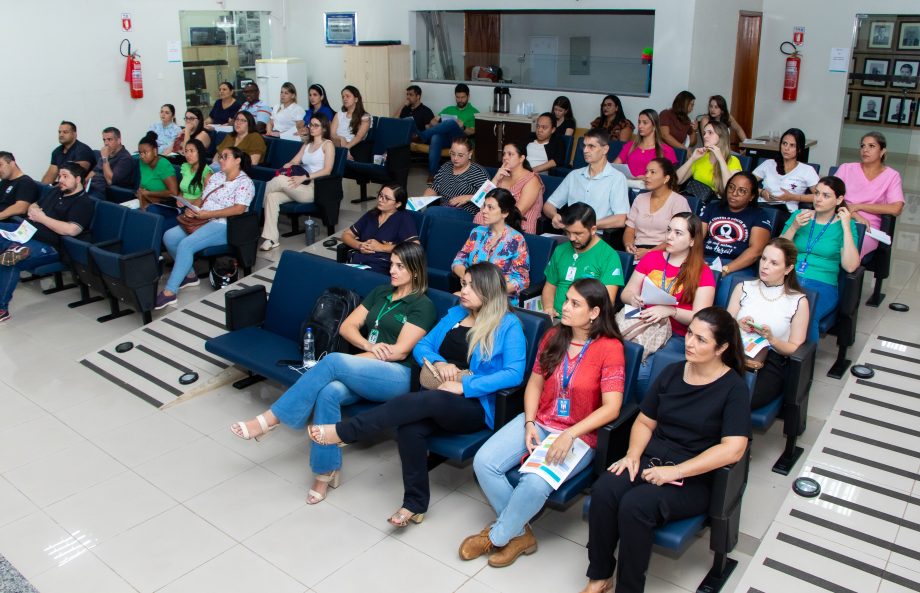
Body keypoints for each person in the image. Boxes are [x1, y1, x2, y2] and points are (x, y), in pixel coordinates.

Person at [307, 262, 527, 527]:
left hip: (474, 405)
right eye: (463, 283)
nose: (462, 290)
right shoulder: (456, 313)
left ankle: (345, 431)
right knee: (410, 428)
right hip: (438, 395)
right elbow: (422, 346)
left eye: (470, 285)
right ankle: (414, 504)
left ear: (488, 290)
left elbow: (514, 373)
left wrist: (465, 386)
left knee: (428, 401)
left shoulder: (508, 324)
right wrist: (441, 363)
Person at [230, 242, 437, 504]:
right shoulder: (381, 292)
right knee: (328, 392)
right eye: (392, 264)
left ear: (416, 271)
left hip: (397, 376)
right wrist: (368, 345)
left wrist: (356, 359)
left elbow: (398, 352)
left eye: (399, 266)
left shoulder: (422, 305)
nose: (392, 270)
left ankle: (269, 421)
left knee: (334, 363)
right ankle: (325, 472)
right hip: (365, 365)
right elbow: (347, 327)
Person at [580, 307, 750, 593]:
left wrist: (676, 470)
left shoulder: (733, 388)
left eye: (701, 340)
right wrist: (633, 455)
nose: (690, 343)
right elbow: (645, 422)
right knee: (606, 489)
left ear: (722, 348)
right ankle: (599, 576)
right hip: (651, 460)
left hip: (693, 476)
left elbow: (733, 450)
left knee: (636, 507)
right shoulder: (672, 372)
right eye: (691, 334)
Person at [461, 279, 626, 567]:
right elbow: (534, 385)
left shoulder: (610, 348)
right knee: (484, 462)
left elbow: (612, 408)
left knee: (534, 483)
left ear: (595, 312)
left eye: (575, 304)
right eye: (566, 300)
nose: (565, 307)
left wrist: (570, 435)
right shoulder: (553, 336)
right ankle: (520, 533)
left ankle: (497, 537)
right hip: (542, 420)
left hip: (580, 434)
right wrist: (528, 423)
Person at [621, 212, 716, 393]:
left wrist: (670, 311)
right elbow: (626, 292)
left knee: (643, 370)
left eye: (678, 233)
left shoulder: (703, 272)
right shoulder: (651, 258)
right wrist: (633, 298)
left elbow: (700, 318)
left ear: (692, 241)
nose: (669, 237)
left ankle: (641, 414)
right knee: (612, 355)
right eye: (669, 230)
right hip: (641, 319)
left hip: (676, 333)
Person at [155, 146, 254, 309]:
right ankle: (190, 275)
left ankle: (169, 292)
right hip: (203, 218)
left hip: (224, 225)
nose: (221, 160)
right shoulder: (217, 177)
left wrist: (206, 214)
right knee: (169, 236)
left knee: (186, 245)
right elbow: (203, 198)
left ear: (237, 161)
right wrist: (192, 208)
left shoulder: (245, 183)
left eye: (225, 157)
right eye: (220, 157)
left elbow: (238, 209)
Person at [0, 162, 94, 322]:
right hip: (27, 232)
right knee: (10, 248)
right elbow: (35, 204)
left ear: (78, 179)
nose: (61, 180)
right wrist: (33, 209)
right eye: (60, 176)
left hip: (51, 245)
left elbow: (71, 230)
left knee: (10, 260)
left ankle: (2, 309)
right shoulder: (56, 191)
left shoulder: (83, 202)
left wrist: (43, 218)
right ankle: (16, 248)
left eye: (65, 177)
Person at [727, 238, 809, 409]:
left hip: (769, 360)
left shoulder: (797, 301)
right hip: (735, 350)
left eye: (773, 263)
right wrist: (737, 324)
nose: (764, 266)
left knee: (737, 400)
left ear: (788, 268)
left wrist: (772, 339)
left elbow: (795, 347)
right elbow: (724, 325)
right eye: (763, 259)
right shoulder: (744, 287)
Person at [780, 176, 860, 323]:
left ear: (838, 199)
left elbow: (850, 266)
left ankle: (800, 346)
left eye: (826, 195)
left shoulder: (846, 226)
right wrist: (794, 227)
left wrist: (846, 227)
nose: (818, 199)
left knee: (804, 316)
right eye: (816, 193)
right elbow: (776, 252)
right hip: (789, 277)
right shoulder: (799, 216)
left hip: (822, 283)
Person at [260, 113, 335, 250]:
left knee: (279, 180)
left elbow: (327, 170)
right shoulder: (307, 144)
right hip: (299, 185)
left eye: (316, 125)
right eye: (310, 125)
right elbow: (295, 161)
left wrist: (305, 177)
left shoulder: (327, 145)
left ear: (324, 128)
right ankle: (271, 239)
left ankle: (253, 204)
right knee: (272, 197)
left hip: (314, 187)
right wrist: (288, 165)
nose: (312, 128)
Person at [542, 204, 625, 319]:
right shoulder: (560, 250)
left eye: (578, 233)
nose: (571, 238)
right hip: (555, 318)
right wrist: (548, 308)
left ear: (593, 230)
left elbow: (607, 302)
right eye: (568, 232)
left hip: (584, 323)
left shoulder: (608, 256)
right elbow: (550, 286)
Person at [833, 131, 904, 257]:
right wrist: (854, 214)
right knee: (826, 244)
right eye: (863, 146)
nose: (865, 150)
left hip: (868, 228)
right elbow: (831, 197)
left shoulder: (892, 176)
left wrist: (859, 206)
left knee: (848, 250)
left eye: (871, 146)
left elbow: (896, 208)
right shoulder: (846, 168)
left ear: (882, 152)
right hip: (839, 217)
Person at [543, 128, 630, 230]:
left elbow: (620, 219)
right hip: (571, 233)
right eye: (584, 145)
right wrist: (554, 215)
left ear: (605, 149)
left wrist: (587, 226)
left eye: (591, 146)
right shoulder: (574, 175)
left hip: (598, 235)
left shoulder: (617, 178)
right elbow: (549, 205)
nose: (585, 150)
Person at [453, 189, 530, 298]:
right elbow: (459, 260)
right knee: (454, 298)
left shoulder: (516, 239)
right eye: (484, 206)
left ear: (505, 213)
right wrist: (467, 278)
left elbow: (522, 280)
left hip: (498, 297)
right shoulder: (477, 232)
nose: (484, 211)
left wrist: (485, 292)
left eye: (490, 207)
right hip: (472, 293)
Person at [700, 172, 772, 275]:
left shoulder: (760, 215)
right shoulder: (712, 208)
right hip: (706, 259)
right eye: (731, 187)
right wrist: (697, 260)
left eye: (742, 191)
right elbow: (697, 238)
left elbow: (756, 251)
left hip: (737, 266)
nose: (734, 193)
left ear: (751, 196)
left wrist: (726, 269)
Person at [342, 184, 419, 274]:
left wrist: (382, 247)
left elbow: (414, 247)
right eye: (380, 195)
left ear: (398, 204)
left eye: (387, 198)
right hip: (359, 263)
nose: (380, 200)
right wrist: (359, 245)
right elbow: (346, 235)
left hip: (382, 267)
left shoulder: (403, 219)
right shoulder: (372, 214)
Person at [624, 158, 691, 259]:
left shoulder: (679, 201)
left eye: (653, 172)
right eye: (646, 172)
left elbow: (679, 237)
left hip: (665, 252)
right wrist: (629, 245)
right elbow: (630, 229)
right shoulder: (640, 198)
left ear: (666, 178)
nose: (647, 176)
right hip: (637, 251)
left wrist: (649, 252)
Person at [753, 128, 819, 225]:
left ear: (799, 149)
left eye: (792, 145)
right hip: (762, 207)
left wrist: (793, 197)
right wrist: (761, 192)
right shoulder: (769, 164)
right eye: (784, 143)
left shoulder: (807, 170)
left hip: (787, 213)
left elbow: (819, 196)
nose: (786, 148)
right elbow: (747, 182)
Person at [476, 141, 544, 234]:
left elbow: (518, 213)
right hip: (494, 222)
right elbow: (480, 202)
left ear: (521, 158)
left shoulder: (532, 180)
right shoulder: (502, 175)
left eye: (510, 154)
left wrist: (492, 216)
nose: (505, 157)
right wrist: (496, 178)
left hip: (518, 227)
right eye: (504, 154)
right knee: (479, 217)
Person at [417, 83, 479, 178]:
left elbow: (473, 132)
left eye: (463, 97)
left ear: (468, 96)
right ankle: (433, 175)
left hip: (462, 140)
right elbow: (433, 121)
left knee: (451, 123)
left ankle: (422, 136)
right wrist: (440, 124)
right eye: (457, 97)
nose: (460, 100)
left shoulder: (474, 112)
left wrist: (463, 127)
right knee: (435, 137)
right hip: (447, 139)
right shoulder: (449, 109)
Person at [422, 136, 490, 215]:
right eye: (452, 154)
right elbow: (435, 187)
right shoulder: (446, 166)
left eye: (460, 155)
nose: (455, 158)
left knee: (431, 213)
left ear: (470, 154)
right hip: (443, 210)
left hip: (466, 213)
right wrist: (424, 198)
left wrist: (468, 197)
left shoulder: (478, 172)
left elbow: (490, 197)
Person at [677, 120, 742, 194]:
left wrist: (721, 159)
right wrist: (692, 158)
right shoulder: (700, 157)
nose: (705, 136)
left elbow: (731, 191)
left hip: (717, 202)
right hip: (697, 200)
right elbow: (677, 181)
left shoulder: (733, 160)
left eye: (710, 133)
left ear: (721, 136)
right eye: (704, 133)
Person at [613, 109, 678, 178]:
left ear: (654, 126)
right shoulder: (630, 146)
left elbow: (670, 178)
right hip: (626, 185)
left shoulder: (666, 150)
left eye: (645, 123)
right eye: (639, 122)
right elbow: (614, 167)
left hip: (649, 187)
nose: (640, 126)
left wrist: (645, 178)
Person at [85, 127, 135, 199]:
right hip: (92, 187)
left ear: (118, 140)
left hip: (105, 192)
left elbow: (110, 181)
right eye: (104, 140)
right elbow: (94, 171)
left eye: (109, 139)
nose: (106, 143)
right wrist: (85, 182)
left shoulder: (125, 158)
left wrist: (105, 158)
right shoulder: (108, 153)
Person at [136, 132, 179, 210]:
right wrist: (140, 191)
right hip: (146, 200)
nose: (142, 156)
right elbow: (142, 185)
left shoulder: (164, 165)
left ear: (155, 151)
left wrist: (148, 193)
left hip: (164, 204)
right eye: (140, 153)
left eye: (145, 152)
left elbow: (173, 193)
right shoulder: (142, 163)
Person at [331, 85, 372, 159]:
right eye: (343, 97)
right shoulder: (339, 114)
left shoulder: (365, 116)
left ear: (356, 99)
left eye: (347, 96)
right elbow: (332, 133)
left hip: (354, 146)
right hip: (337, 143)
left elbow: (359, 137)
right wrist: (341, 138)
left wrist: (345, 149)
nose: (344, 99)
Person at [0, 152, 39, 222]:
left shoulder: (25, 182)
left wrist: (1, 215)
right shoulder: (4, 181)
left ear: (12, 164)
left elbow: (21, 208)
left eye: (0, 165)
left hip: (11, 222)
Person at [178, 139, 212, 205]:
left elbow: (206, 197)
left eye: (192, 151)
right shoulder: (185, 167)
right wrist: (179, 198)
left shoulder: (207, 172)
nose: (188, 155)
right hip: (181, 206)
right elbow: (182, 190)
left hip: (195, 209)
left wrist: (190, 205)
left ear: (200, 152)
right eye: (186, 151)